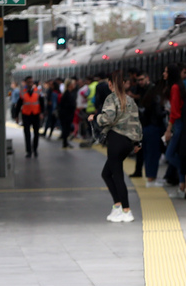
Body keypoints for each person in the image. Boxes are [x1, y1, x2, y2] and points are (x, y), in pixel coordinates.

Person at [89, 70, 142, 223]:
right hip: (127, 143)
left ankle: (126, 210)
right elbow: (137, 122)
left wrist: (95, 118)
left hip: (115, 140)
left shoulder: (111, 99)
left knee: (117, 175)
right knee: (107, 173)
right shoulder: (130, 100)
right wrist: (138, 142)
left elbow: (107, 118)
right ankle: (117, 206)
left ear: (111, 84)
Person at [136, 72, 166, 187]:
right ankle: (151, 179)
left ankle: (150, 177)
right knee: (153, 154)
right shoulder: (156, 96)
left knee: (149, 153)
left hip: (146, 128)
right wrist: (166, 112)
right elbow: (158, 113)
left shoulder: (147, 95)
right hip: (154, 128)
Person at [162, 64, 185, 190]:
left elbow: (175, 112)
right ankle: (182, 183)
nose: (163, 74)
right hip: (178, 123)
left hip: (177, 124)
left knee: (170, 154)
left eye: (166, 71)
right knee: (174, 153)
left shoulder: (175, 88)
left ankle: (185, 175)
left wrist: (168, 129)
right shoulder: (178, 86)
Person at [13, 76, 43, 157]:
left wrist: (42, 113)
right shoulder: (22, 92)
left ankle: (35, 149)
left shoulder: (38, 91)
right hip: (26, 115)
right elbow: (19, 104)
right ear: (26, 83)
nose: (30, 83)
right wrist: (16, 116)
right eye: (29, 82)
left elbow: (42, 102)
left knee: (36, 133)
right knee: (27, 134)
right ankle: (29, 151)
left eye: (31, 81)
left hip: (36, 114)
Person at [59, 79, 78, 148]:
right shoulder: (67, 94)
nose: (74, 86)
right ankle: (65, 142)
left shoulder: (67, 93)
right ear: (70, 85)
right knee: (66, 128)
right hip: (66, 115)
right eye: (73, 84)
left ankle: (65, 142)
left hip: (67, 114)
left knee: (66, 128)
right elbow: (66, 105)